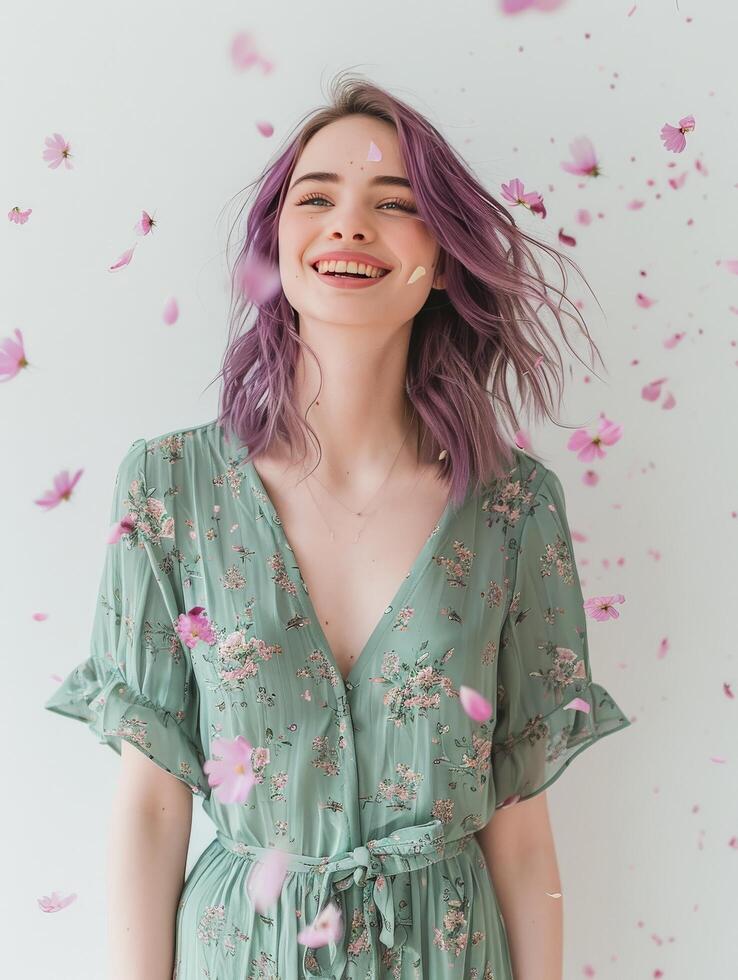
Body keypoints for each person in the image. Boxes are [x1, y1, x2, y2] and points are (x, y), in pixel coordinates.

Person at [45, 71, 631, 979]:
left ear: (440, 255)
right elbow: (152, 809)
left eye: (393, 203)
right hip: (244, 955)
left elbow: (519, 829)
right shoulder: (169, 489)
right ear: (276, 242)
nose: (349, 223)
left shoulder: (515, 509)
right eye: (317, 197)